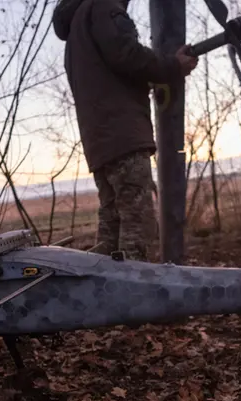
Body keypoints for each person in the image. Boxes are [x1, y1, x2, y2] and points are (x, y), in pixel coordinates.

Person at [52, 0, 198, 261]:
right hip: (124, 139)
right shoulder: (103, 7)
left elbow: (113, 74)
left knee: (111, 232)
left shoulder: (78, 29)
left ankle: (100, 294)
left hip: (100, 144)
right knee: (136, 229)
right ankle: (135, 298)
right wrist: (172, 66)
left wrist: (150, 79)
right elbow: (127, 54)